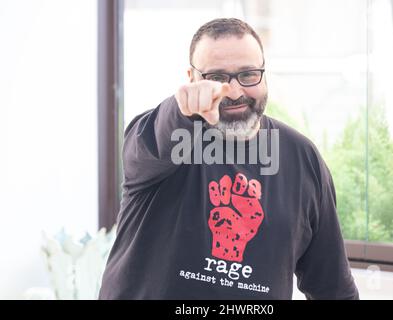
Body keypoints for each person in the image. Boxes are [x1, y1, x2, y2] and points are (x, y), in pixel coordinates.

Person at [99, 18, 359, 300]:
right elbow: (155, 139)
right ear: (191, 79)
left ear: (264, 73)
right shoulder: (160, 141)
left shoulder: (302, 158)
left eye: (248, 75)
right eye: (217, 78)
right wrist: (182, 108)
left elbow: (332, 288)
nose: (234, 92)